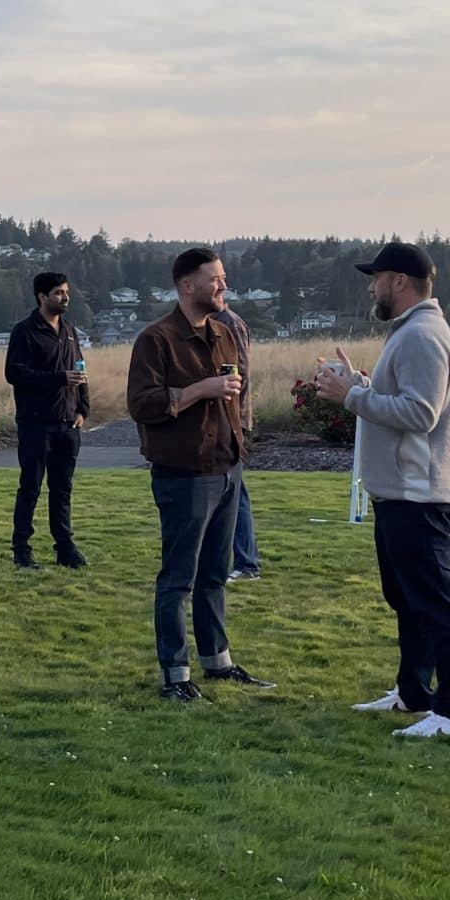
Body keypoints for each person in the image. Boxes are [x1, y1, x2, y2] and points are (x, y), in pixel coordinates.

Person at [311, 242, 450, 742]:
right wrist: (359, 381)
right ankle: (413, 693)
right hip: (400, 494)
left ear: (399, 281)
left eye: (376, 277)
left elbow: (421, 414)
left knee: (436, 604)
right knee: (407, 600)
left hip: (418, 496)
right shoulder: (410, 333)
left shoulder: (422, 336)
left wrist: (352, 396)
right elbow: (404, 398)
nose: (371, 286)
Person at [127, 249, 274, 702]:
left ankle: (218, 662)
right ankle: (175, 674)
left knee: (215, 573)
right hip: (184, 476)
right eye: (216, 280)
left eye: (224, 279)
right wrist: (197, 391)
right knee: (178, 579)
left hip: (227, 469)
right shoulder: (156, 340)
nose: (223, 287)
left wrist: (237, 447)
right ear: (187, 286)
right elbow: (143, 404)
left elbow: (234, 396)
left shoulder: (224, 335)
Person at [5, 271, 90, 570]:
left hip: (69, 425)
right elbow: (14, 374)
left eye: (66, 292)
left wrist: (83, 410)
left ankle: (64, 547)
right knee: (30, 488)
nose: (65, 297)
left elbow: (80, 370)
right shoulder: (24, 331)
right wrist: (58, 378)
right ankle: (22, 550)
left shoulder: (70, 331)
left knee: (62, 489)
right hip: (36, 425)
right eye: (58, 293)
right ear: (42, 297)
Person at [221, 301, 263, 581]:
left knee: (235, 492)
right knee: (230, 489)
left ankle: (247, 563)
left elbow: (241, 373)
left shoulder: (229, 323)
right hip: (224, 419)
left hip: (231, 419)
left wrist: (234, 418)